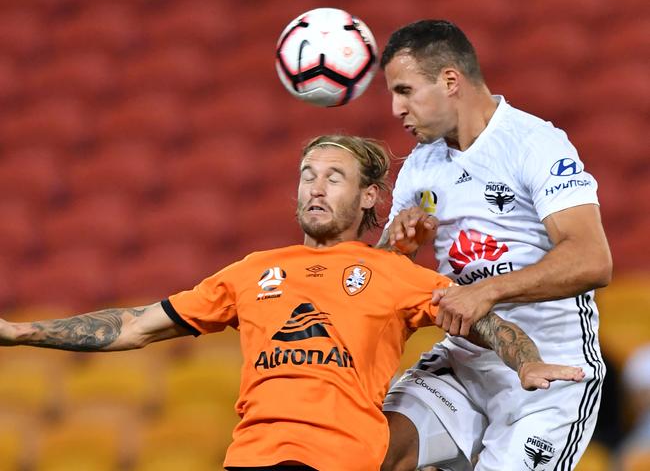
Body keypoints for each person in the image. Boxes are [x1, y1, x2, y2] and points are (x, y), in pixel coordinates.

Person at [0, 135, 584, 471]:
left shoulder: (390, 274)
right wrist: (21, 332)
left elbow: (482, 318)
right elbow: (134, 326)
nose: (315, 186)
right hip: (251, 460)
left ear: (368, 197)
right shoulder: (252, 272)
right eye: (307, 174)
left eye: (334, 176)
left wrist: (525, 361)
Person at [377, 20, 613, 471]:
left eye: (405, 91)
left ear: (450, 80)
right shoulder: (419, 166)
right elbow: (382, 278)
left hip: (551, 374)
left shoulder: (534, 144)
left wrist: (488, 290)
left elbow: (592, 259)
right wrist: (400, 253)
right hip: (463, 360)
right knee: (375, 452)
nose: (395, 109)